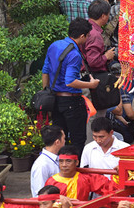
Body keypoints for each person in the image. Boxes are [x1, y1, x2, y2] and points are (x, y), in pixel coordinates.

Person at [42, 18, 99, 148]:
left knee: (58, 139)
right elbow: (70, 81)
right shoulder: (74, 54)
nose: (88, 39)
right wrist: (91, 85)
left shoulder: (54, 45)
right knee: (78, 140)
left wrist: (46, 91)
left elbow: (45, 71)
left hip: (55, 100)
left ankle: (61, 166)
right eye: (88, 36)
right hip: (72, 102)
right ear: (82, 36)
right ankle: (75, 166)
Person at [30, 125, 65, 197]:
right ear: (57, 142)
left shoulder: (56, 159)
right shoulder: (42, 165)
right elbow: (40, 194)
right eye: (64, 139)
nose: (65, 142)